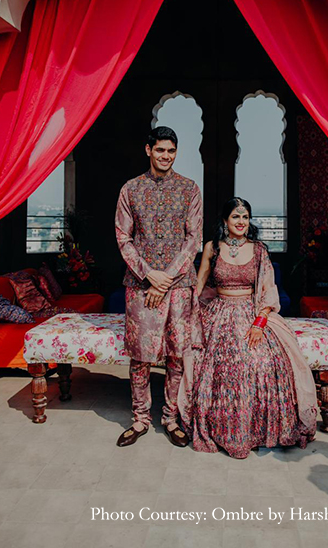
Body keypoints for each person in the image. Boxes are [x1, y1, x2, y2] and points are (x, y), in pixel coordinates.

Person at [179, 197, 317, 459]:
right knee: (222, 363)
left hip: (251, 313)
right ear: (224, 220)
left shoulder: (259, 250)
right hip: (219, 313)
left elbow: (267, 290)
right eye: (235, 217)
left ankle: (259, 430)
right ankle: (224, 430)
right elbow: (199, 285)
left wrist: (259, 324)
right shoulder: (212, 248)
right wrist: (186, 313)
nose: (241, 222)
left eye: (245, 217)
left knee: (261, 360)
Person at [115, 126, 203, 448]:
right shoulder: (131, 189)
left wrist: (164, 277)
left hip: (179, 285)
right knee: (140, 357)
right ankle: (140, 419)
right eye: (160, 150)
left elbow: (194, 240)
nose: (166, 156)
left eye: (171, 151)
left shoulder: (190, 190)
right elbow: (123, 238)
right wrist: (148, 274)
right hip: (140, 284)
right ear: (148, 150)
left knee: (177, 354)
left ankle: (170, 418)